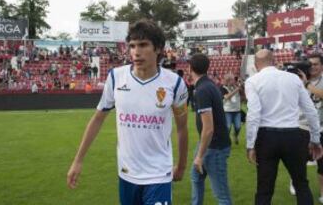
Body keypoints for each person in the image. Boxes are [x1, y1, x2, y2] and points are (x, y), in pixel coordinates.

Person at [67, 19, 189, 205]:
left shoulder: (175, 84)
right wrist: (78, 160)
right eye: (132, 46)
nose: (136, 52)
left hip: (159, 174)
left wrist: (181, 166)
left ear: (158, 48)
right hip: (127, 173)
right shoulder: (116, 78)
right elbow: (98, 118)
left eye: (143, 45)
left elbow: (182, 128)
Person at [245, 49, 323, 205]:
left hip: (267, 137)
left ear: (256, 65)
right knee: (301, 184)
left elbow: (254, 115)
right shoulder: (293, 79)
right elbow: (311, 111)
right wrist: (315, 139)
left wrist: (250, 145)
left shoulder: (253, 81)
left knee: (264, 189)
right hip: (293, 136)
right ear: (273, 60)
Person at [188, 53, 232, 205]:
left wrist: (200, 156)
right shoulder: (209, 85)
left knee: (222, 195)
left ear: (190, 68)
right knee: (195, 177)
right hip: (209, 145)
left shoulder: (203, 89)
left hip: (214, 147)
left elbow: (208, 128)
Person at [289, 53, 323, 203]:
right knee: (299, 160)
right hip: (302, 126)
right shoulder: (296, 82)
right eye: (310, 64)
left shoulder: (308, 83)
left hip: (321, 127)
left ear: (322, 66)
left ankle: (322, 193)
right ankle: (294, 181)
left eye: (316, 64)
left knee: (322, 163)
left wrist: (306, 84)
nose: (313, 67)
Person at [221, 73, 243, 145]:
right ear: (228, 81)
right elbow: (227, 97)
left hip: (237, 110)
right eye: (232, 80)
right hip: (227, 111)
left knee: (238, 127)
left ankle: (235, 136)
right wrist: (236, 90)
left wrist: (242, 87)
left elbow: (243, 97)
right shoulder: (223, 88)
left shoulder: (236, 87)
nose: (234, 81)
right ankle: (226, 140)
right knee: (227, 127)